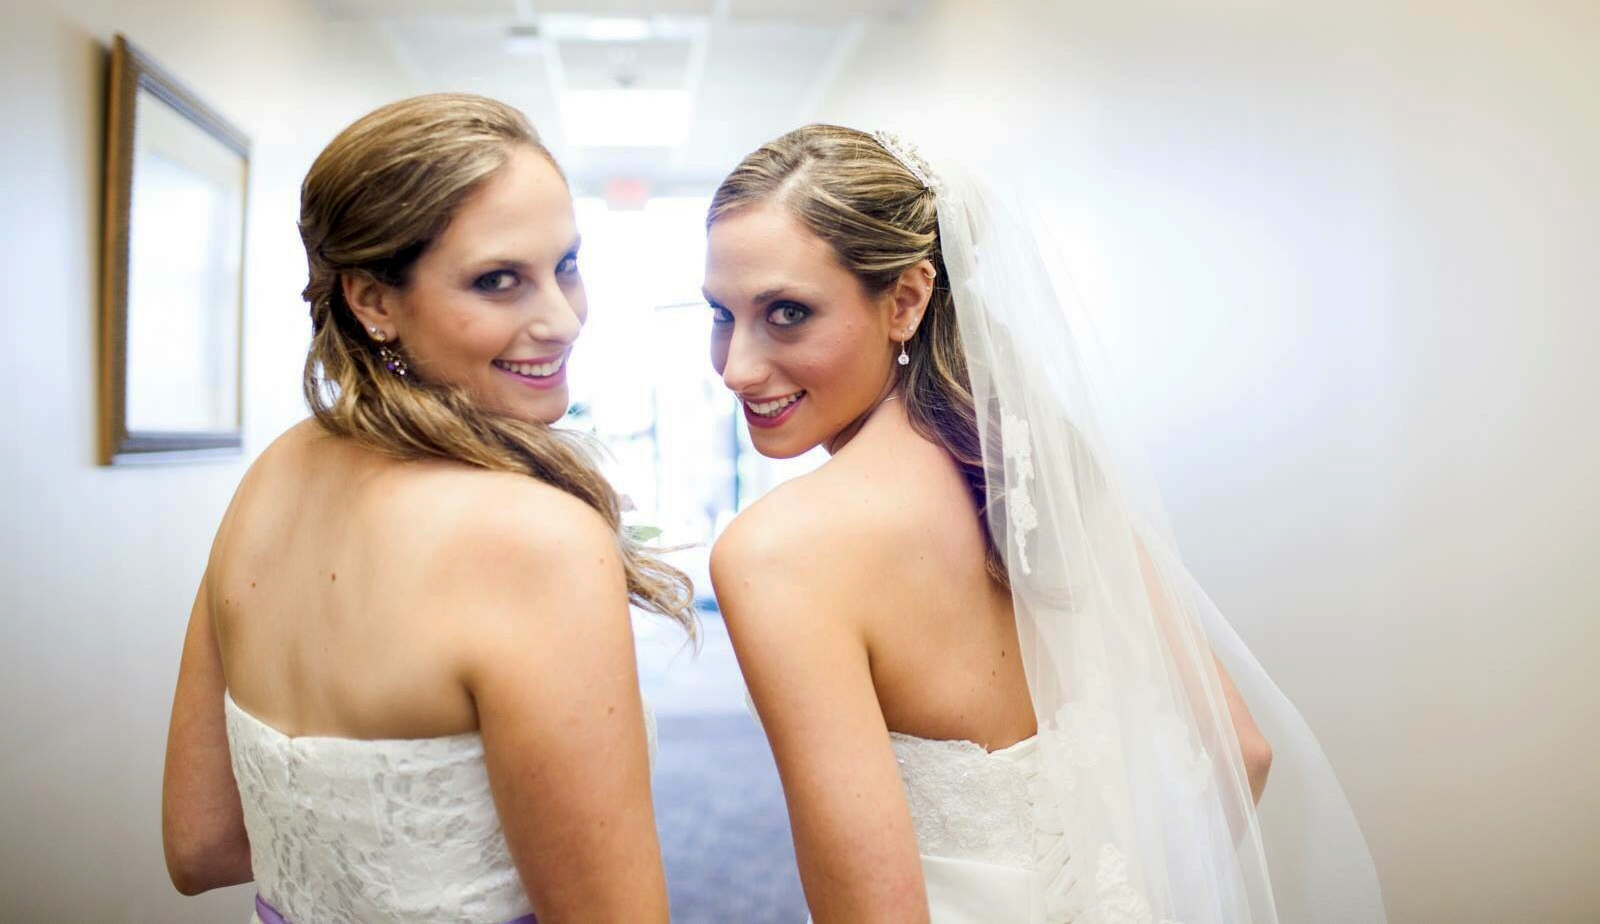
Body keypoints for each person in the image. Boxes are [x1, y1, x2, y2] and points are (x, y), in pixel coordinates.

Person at [703, 124, 1384, 922]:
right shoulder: (1039, 469)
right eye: (722, 314)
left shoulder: (779, 553)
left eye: (787, 313)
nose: (736, 367)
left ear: (909, 299)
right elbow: (1241, 751)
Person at [160, 94, 689, 924]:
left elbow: (203, 845)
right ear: (373, 300)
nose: (561, 319)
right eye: (498, 280)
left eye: (568, 265)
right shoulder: (537, 539)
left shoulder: (273, 475)